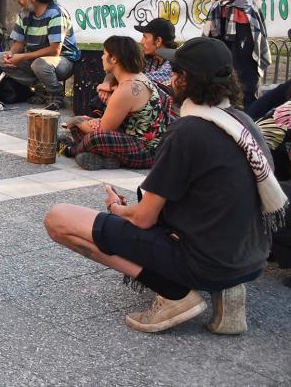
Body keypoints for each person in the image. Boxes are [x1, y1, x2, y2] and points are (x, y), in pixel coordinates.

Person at [44, 37, 284, 334]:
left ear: (184, 80)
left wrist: (118, 210)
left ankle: (176, 294)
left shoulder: (188, 130)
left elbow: (145, 218)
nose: (170, 78)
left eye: (175, 72)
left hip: (206, 259)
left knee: (59, 219)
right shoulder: (243, 122)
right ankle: (230, 290)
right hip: (249, 259)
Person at [62, 36, 171, 171]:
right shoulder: (135, 77)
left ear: (114, 59)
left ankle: (70, 150)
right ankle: (107, 160)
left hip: (145, 150)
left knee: (95, 136)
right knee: (83, 125)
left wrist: (76, 120)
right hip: (129, 137)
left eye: (104, 53)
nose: (102, 57)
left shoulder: (127, 88)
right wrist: (90, 121)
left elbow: (104, 130)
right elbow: (108, 123)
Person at [0, 0, 80, 110]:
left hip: (63, 60)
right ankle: (40, 88)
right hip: (35, 60)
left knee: (39, 64)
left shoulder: (56, 13)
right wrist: (11, 56)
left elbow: (54, 51)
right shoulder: (24, 13)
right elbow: (19, 44)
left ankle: (57, 95)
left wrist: (22, 57)